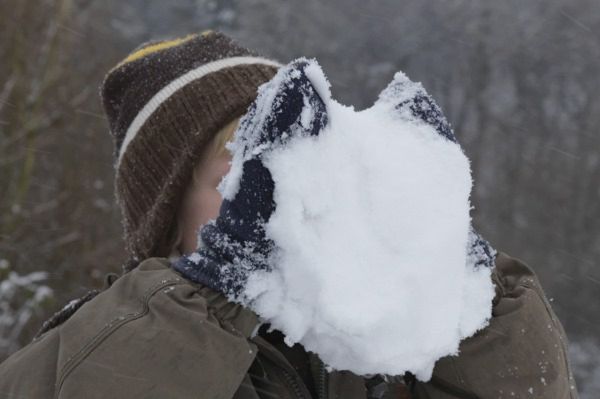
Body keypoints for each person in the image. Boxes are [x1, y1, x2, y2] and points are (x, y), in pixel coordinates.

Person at [0, 30, 578, 399]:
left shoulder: (376, 346)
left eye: (279, 157)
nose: (267, 188)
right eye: (237, 169)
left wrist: (472, 297)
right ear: (167, 221)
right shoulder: (87, 351)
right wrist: (215, 288)